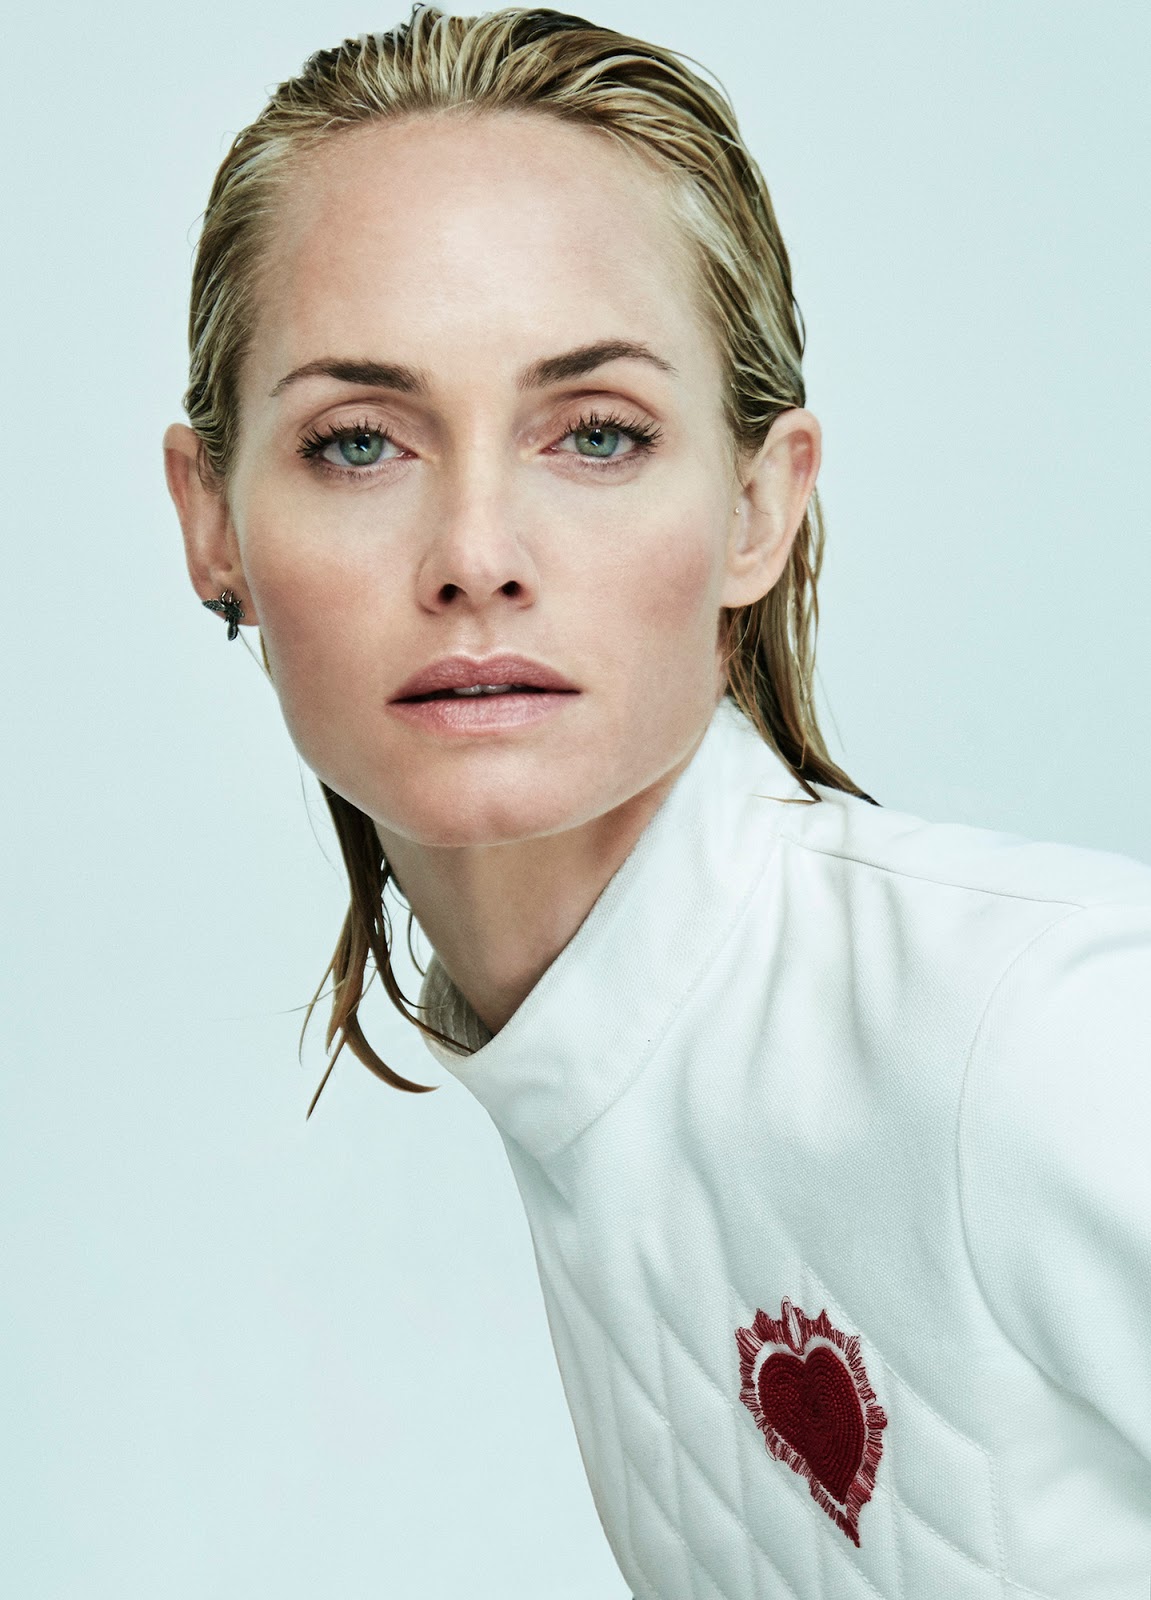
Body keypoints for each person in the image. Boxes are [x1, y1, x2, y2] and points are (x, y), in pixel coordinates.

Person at [162, 7, 1151, 1595]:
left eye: (598, 435)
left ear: (759, 505)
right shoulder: (585, 1092)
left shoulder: (1048, 1029)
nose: (474, 554)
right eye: (358, 444)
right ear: (211, 520)